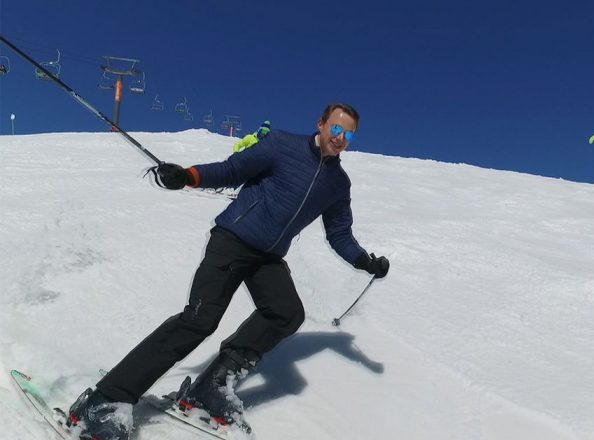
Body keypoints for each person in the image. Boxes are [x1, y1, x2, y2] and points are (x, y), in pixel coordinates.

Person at [66, 103, 390, 440]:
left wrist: (364, 261)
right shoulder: (282, 145)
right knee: (199, 319)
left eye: (348, 134)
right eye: (336, 129)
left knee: (286, 313)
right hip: (233, 240)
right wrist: (188, 176)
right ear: (321, 124)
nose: (340, 138)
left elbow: (339, 233)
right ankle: (106, 400)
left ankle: (211, 388)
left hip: (267, 257)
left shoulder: (338, 183)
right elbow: (233, 169)